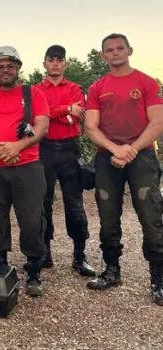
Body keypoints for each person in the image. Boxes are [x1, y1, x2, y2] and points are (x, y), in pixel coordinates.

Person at [84, 33, 163, 306]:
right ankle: (112, 270)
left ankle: (158, 279)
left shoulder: (146, 82)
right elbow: (90, 127)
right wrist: (115, 149)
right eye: (109, 50)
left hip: (141, 157)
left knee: (151, 216)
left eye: (120, 48)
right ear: (103, 55)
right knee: (108, 216)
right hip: (108, 158)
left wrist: (130, 150)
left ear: (129, 50)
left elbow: (157, 122)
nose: (115, 53)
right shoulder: (97, 87)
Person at [0, 46, 50, 297]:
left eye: (9, 65)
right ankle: (0, 263)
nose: (5, 70)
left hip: (27, 166)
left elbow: (42, 126)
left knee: (32, 220)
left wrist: (17, 146)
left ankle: (34, 269)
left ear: (18, 67)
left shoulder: (34, 93)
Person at [35, 45, 95, 276]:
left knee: (75, 205)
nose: (55, 63)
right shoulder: (36, 90)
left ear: (65, 64)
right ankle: (44, 253)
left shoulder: (75, 88)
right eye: (51, 59)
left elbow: (75, 116)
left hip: (70, 150)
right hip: (44, 150)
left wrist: (56, 113)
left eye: (60, 60)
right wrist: (66, 110)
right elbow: (40, 115)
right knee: (43, 203)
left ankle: (79, 257)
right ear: (45, 63)